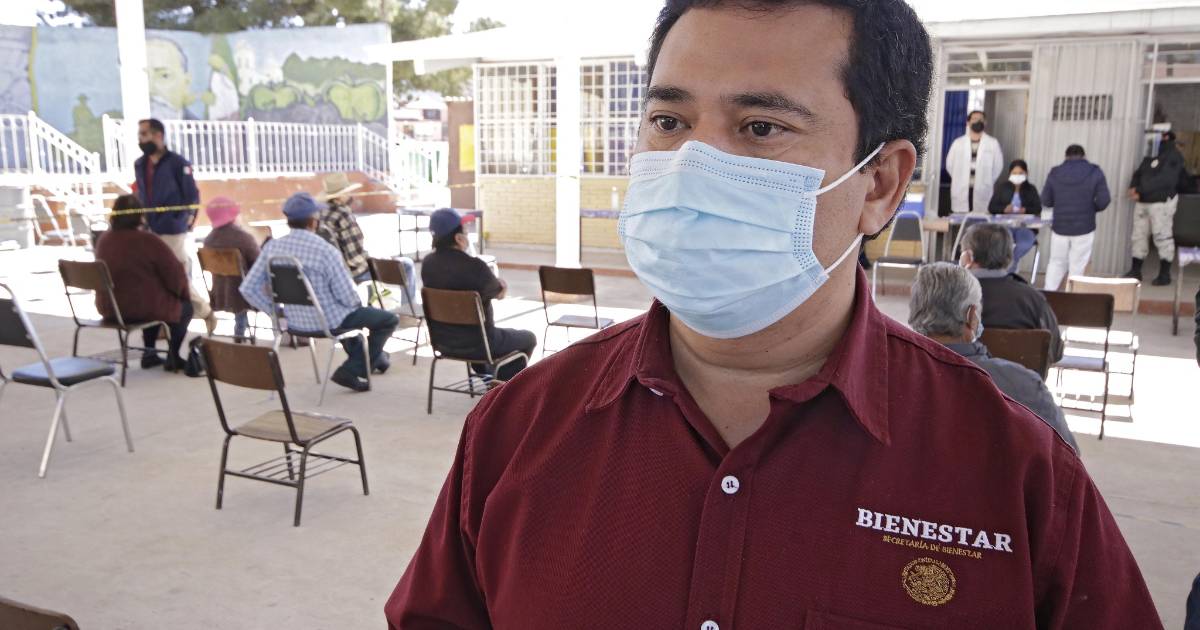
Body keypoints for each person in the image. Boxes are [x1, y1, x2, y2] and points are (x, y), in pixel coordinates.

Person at [386, 1, 1159, 628]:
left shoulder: (1013, 472)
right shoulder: (518, 431)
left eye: (760, 128)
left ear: (881, 185)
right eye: (669, 122)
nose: (693, 165)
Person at [909, 263, 1078, 452]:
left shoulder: (889, 375)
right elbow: (1068, 458)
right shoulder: (1024, 387)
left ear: (914, 314)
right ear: (972, 316)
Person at [239, 193, 398, 393]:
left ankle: (377, 359)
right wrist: (358, 302)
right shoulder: (325, 250)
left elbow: (247, 288)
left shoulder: (272, 248)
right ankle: (351, 370)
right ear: (313, 221)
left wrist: (275, 312)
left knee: (351, 319)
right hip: (329, 322)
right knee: (386, 320)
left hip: (294, 321)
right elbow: (347, 297)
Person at [420, 208, 536, 381]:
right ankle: (501, 386)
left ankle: (491, 378)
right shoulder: (475, 267)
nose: (468, 233)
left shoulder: (428, 264)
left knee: (478, 338)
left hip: (443, 342)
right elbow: (499, 292)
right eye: (465, 230)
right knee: (529, 338)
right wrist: (501, 285)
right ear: (458, 238)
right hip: (481, 344)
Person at [95, 195, 194, 372]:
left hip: (110, 308)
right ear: (140, 215)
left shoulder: (104, 240)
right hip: (139, 308)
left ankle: (149, 354)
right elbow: (175, 275)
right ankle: (173, 356)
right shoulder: (147, 240)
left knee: (152, 301)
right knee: (184, 308)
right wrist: (183, 295)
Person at [134, 117, 214, 330]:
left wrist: (184, 221)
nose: (140, 139)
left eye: (144, 134)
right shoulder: (140, 164)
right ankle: (164, 323)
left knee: (177, 276)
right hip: (150, 229)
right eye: (140, 134)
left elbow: (192, 196)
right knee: (155, 278)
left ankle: (204, 311)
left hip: (172, 229)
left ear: (158, 135)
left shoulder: (178, 163)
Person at [959, 223, 1062, 363]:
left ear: (967, 257)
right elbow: (1055, 352)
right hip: (1021, 376)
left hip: (960, 376)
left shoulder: (945, 296)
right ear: (1010, 256)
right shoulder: (1033, 299)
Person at [1127, 131, 1194, 286]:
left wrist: (1139, 190)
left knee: (1162, 236)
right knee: (1138, 236)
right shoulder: (1151, 154)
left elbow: (1165, 180)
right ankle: (1135, 271)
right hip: (1143, 202)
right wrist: (1133, 187)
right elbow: (1138, 173)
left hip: (1161, 202)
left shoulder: (1174, 156)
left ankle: (1165, 274)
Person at [1041, 144, 1111, 290]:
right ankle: (1071, 296)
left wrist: (1059, 205)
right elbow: (1104, 200)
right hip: (1084, 227)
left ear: (1066, 156)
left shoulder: (1055, 172)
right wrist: (1091, 209)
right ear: (1084, 156)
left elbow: (1046, 200)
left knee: (1056, 262)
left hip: (1060, 227)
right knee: (1077, 266)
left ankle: (1049, 294)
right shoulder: (1095, 172)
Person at [201, 197, 260, 342]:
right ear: (233, 215)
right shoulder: (244, 238)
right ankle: (282, 329)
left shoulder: (208, 240)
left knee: (236, 284)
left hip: (219, 294)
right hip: (245, 296)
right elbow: (259, 264)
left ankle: (240, 332)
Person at [315, 172, 371, 282]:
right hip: (349, 273)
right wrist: (371, 260)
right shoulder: (343, 214)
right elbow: (354, 258)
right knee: (403, 268)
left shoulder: (319, 213)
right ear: (340, 195)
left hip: (329, 270)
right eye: (348, 192)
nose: (350, 194)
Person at [987, 159, 1042, 272]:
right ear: (1010, 174)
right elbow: (992, 207)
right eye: (1014, 173)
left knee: (1025, 243)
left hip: (1025, 227)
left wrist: (1025, 210)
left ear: (1026, 173)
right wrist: (1004, 209)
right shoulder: (1002, 187)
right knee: (1002, 244)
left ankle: (1011, 264)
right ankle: (1007, 270)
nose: (1017, 176)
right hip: (1005, 226)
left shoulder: (1031, 189)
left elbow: (1037, 208)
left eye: (1020, 173)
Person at [946, 109, 1004, 214]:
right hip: (961, 189)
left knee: (981, 221)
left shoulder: (992, 143)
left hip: (983, 190)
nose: (978, 121)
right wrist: (960, 178)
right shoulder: (958, 143)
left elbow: (998, 167)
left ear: (985, 123)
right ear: (968, 122)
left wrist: (987, 181)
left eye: (981, 119)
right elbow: (950, 165)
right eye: (975, 119)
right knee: (961, 221)